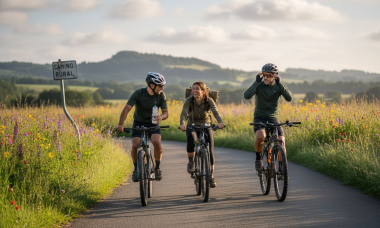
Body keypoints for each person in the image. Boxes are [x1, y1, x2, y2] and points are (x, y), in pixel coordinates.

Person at [117, 72, 168, 182]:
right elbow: (126, 109)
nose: (162, 88)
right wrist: (121, 124)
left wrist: (161, 117)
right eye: (160, 86)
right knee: (135, 144)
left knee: (156, 141)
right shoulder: (138, 93)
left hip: (153, 123)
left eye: (163, 86)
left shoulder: (161, 95)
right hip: (139, 122)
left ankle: (157, 168)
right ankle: (136, 169)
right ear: (152, 85)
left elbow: (165, 113)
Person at [243, 63, 293, 171]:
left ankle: (280, 167)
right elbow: (246, 96)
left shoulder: (278, 86)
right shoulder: (259, 85)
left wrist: (280, 84)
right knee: (261, 136)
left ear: (275, 76)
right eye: (264, 75)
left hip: (273, 118)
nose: (265, 77)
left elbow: (289, 98)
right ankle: (258, 159)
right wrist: (256, 81)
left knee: (281, 142)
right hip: (259, 117)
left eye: (269, 75)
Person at [179, 81, 225, 188]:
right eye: (193, 89)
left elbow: (215, 112)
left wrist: (220, 122)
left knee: (210, 151)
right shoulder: (189, 100)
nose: (194, 91)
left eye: (197, 89)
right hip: (192, 126)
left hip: (206, 126)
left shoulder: (209, 100)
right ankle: (191, 162)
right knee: (191, 139)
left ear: (203, 91)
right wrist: (182, 124)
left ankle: (211, 176)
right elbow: (184, 113)